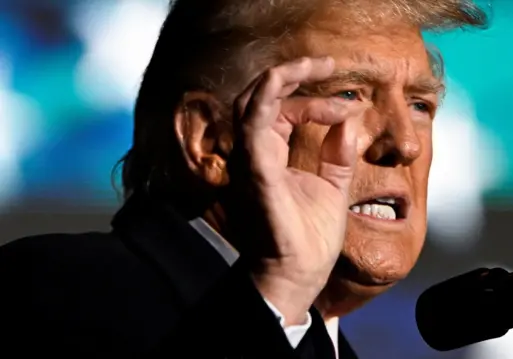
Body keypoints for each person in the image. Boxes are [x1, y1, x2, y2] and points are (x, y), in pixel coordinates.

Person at [0, 0, 488, 357]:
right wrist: (281, 288)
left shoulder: (317, 343)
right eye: (348, 95)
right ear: (211, 140)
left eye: (420, 105)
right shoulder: (53, 289)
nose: (406, 144)